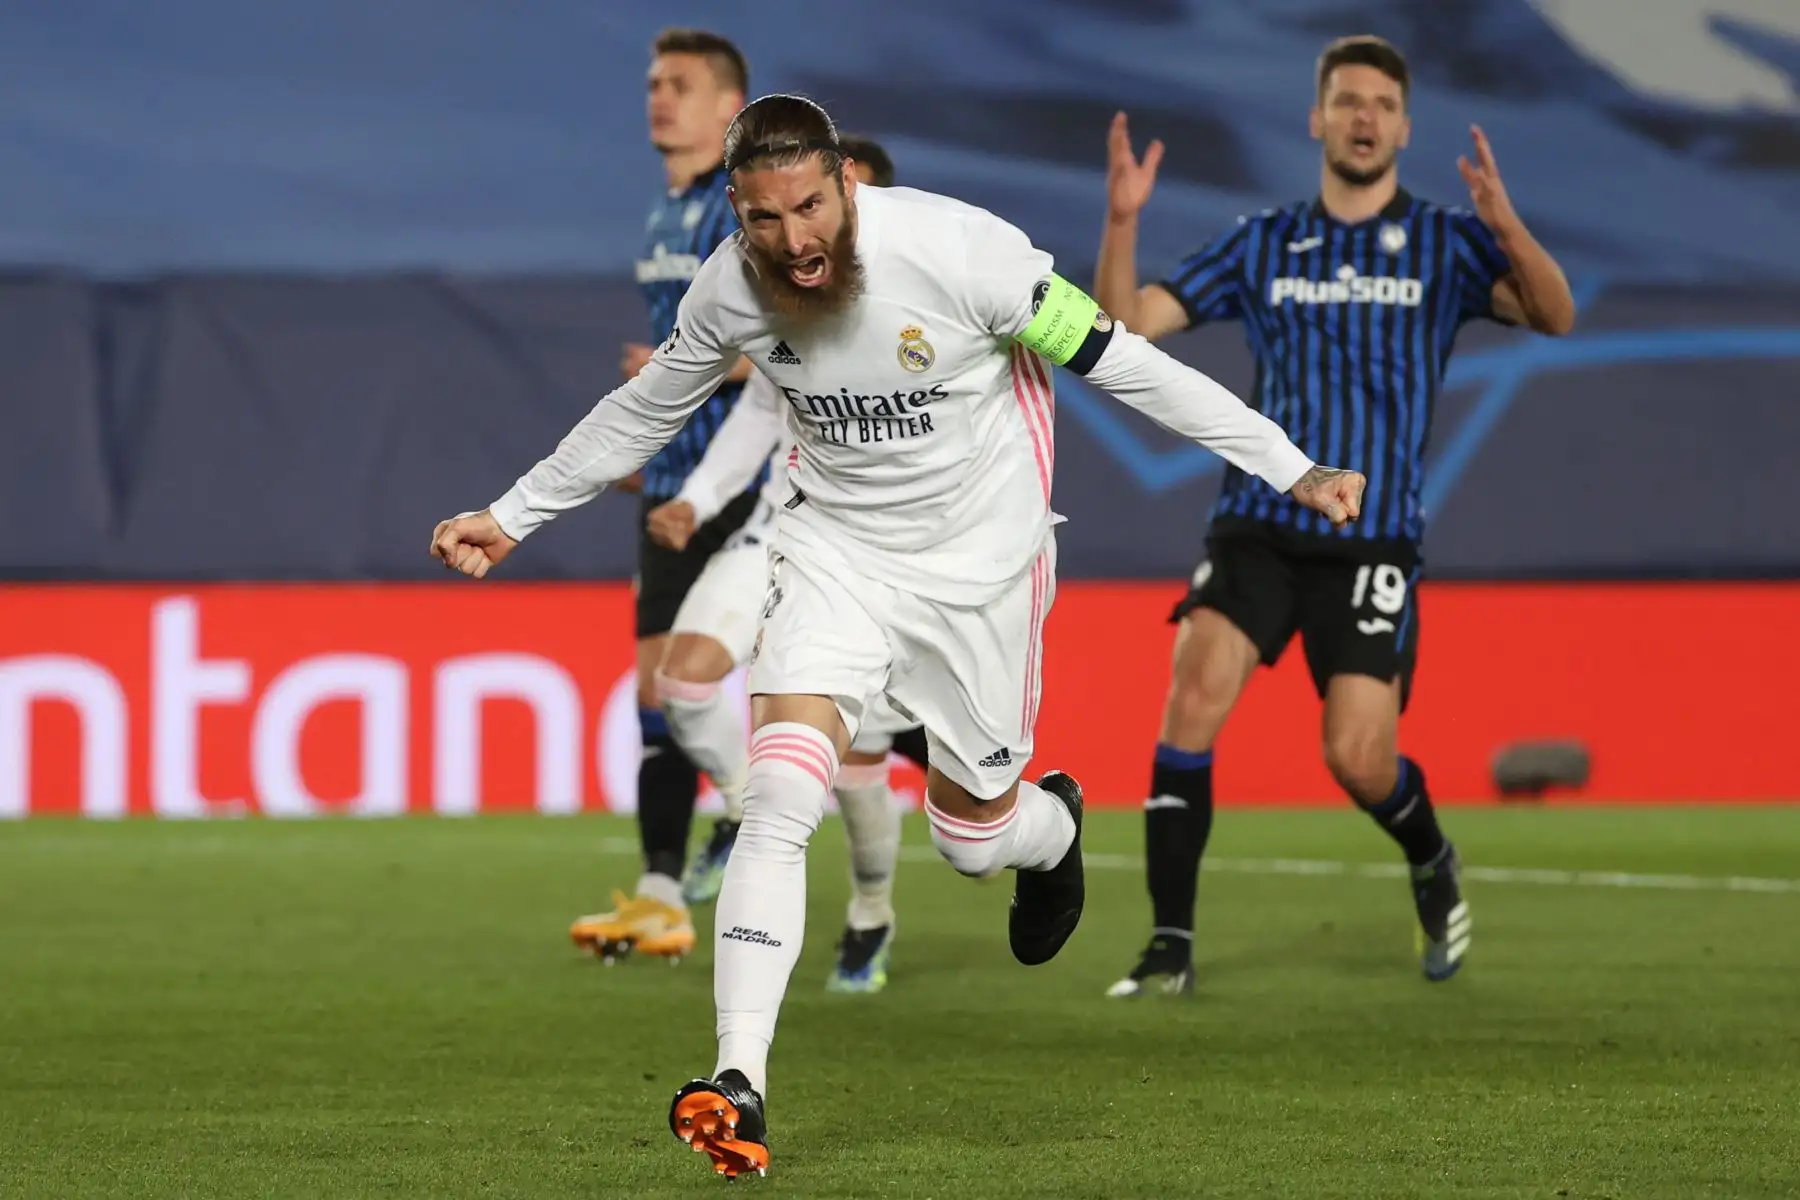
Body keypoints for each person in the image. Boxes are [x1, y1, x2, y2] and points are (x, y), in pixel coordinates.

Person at [430, 93, 1363, 1178]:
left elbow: (1127, 364)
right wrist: (513, 514)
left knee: (969, 842)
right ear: (736, 211)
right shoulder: (731, 290)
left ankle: (1050, 833)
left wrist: (1291, 466)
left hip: (982, 572)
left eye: (813, 207)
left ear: (846, 184)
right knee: (779, 794)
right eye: (767, 219)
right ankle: (742, 1081)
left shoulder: (967, 255)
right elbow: (642, 415)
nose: (797, 241)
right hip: (835, 556)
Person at [1092, 35, 1575, 998]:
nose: (1364, 118)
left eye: (1382, 105)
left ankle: (1431, 859)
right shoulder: (1263, 240)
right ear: (1317, 117)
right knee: (1194, 691)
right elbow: (1126, 327)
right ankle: (1169, 947)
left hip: (1374, 539)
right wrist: (1119, 222)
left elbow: (1553, 315)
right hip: (1257, 521)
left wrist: (1507, 222)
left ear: (1403, 125)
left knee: (1357, 758)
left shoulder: (1445, 242)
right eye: (1347, 101)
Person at [642, 133, 925, 994]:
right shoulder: (787, 306)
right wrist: (697, 494)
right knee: (681, 683)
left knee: (866, 769)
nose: (813, 235)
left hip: (879, 563)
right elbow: (760, 413)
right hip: (780, 532)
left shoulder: (929, 308)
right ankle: (739, 804)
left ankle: (871, 911)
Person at [568, 29, 760, 964]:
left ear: (729, 106)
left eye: (678, 84)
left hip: (756, 486)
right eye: (651, 83)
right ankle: (659, 891)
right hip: (675, 484)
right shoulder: (662, 213)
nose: (658, 98)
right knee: (657, 689)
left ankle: (759, 825)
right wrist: (654, 439)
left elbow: (791, 335)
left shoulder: (745, 210)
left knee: (857, 714)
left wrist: (694, 375)